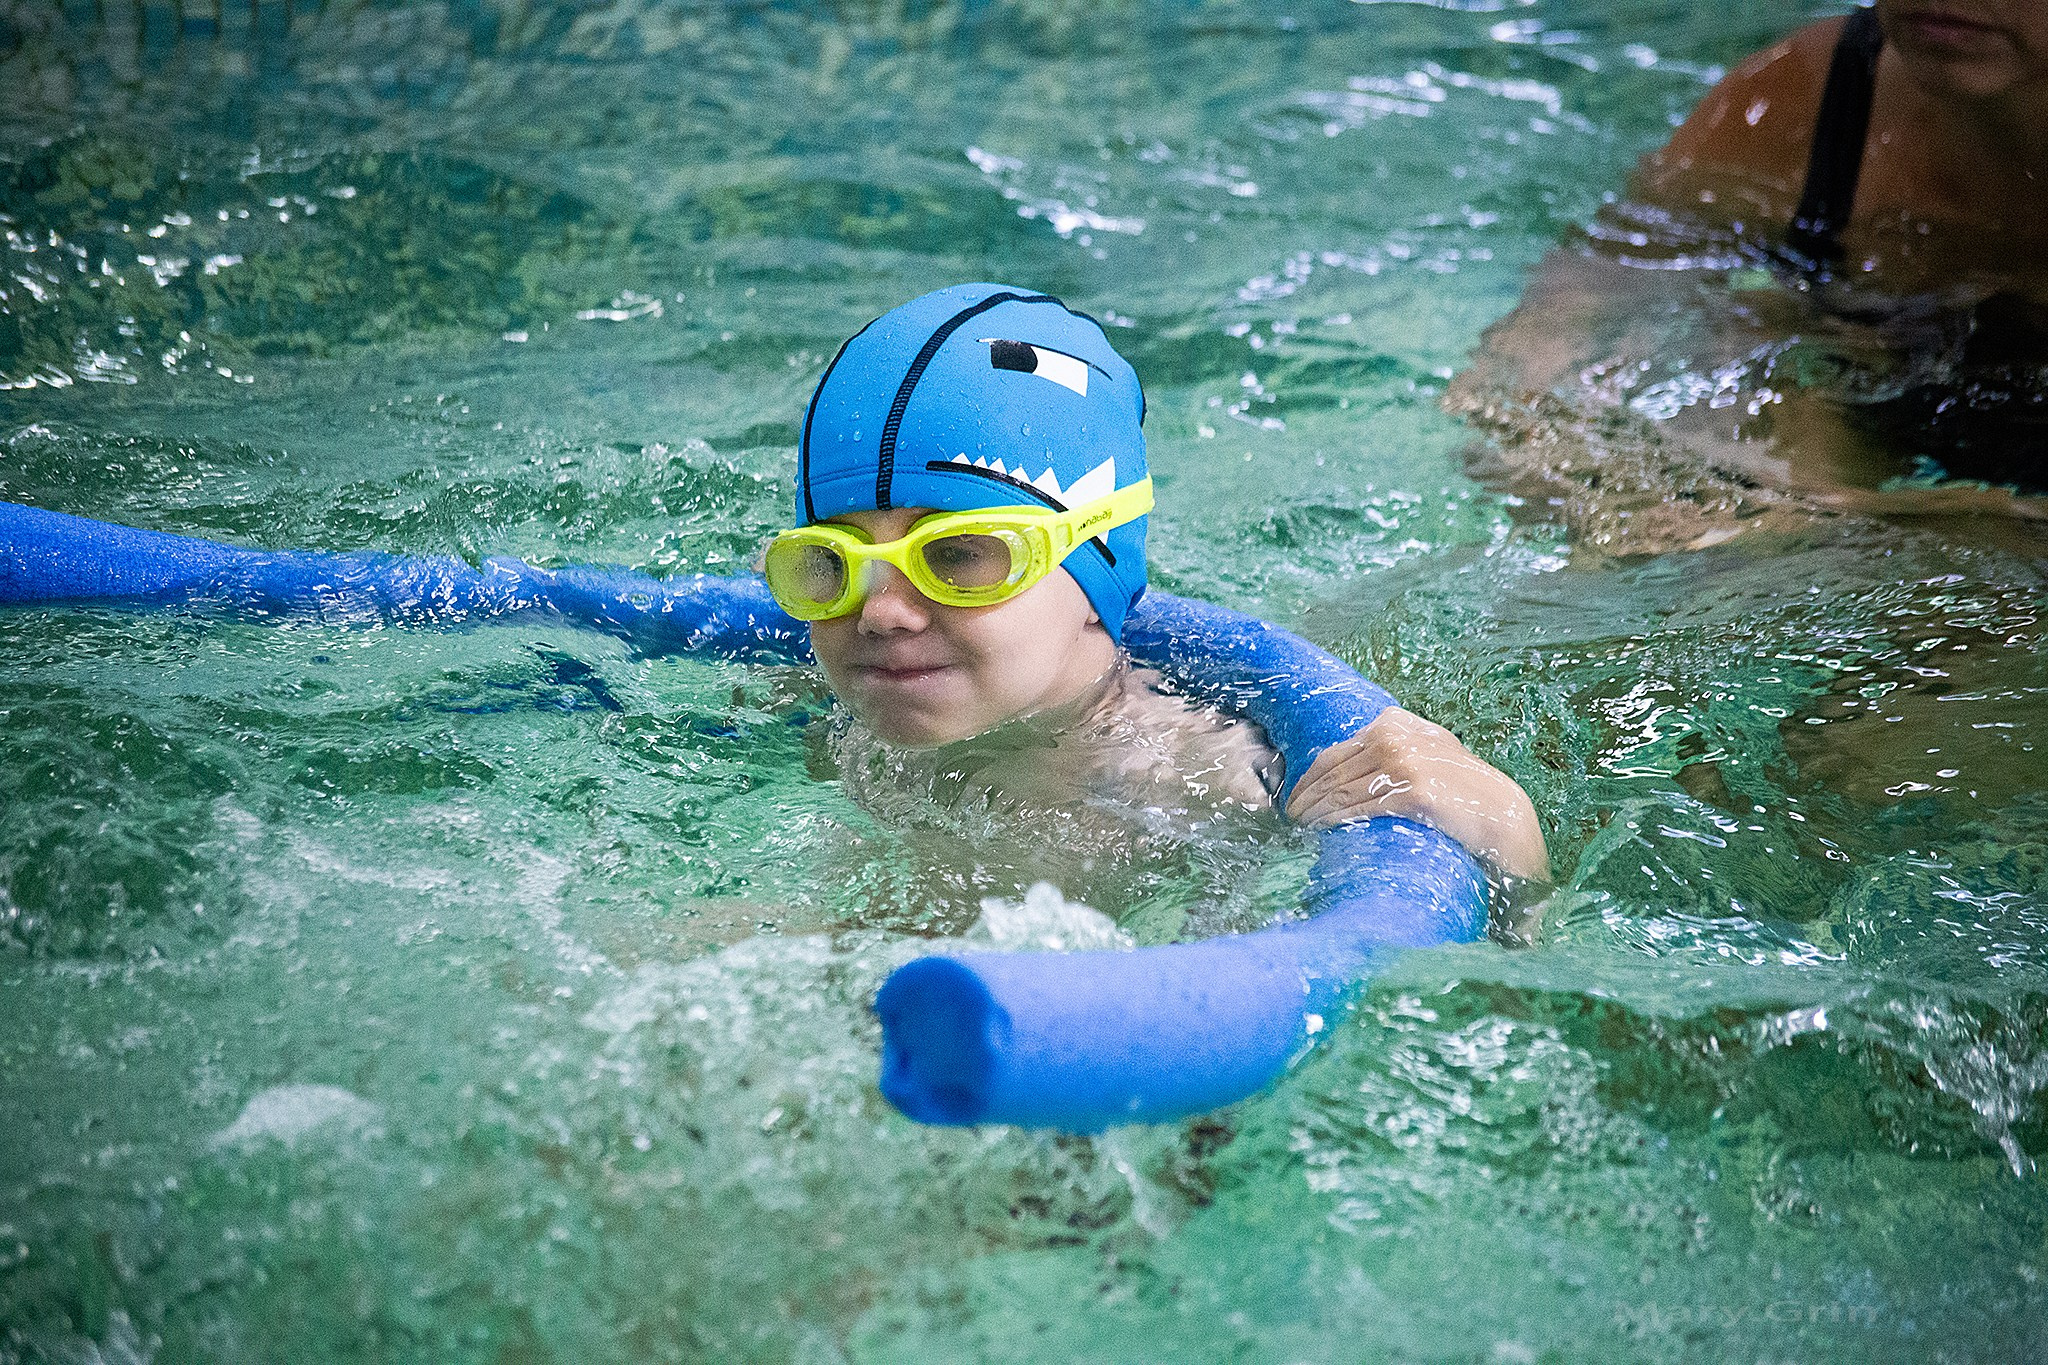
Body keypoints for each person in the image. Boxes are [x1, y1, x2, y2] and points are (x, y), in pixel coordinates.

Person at [773, 283, 1550, 901]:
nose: (879, 612)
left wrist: (1509, 840)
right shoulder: (821, 717)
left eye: (956, 555)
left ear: (1096, 561)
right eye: (830, 562)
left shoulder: (1213, 791)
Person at [1452, 0, 2048, 552]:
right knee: (1736, 349)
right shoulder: (1804, 100)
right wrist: (1558, 455)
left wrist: (1860, 519)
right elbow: (1554, 333)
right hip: (1889, 426)